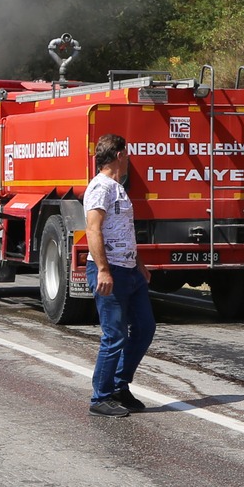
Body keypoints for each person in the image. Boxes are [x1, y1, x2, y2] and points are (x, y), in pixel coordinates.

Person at [84, 134, 155, 416]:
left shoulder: (117, 187)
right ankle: (99, 398)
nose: (129, 159)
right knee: (114, 336)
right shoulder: (101, 187)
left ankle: (119, 386)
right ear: (119, 155)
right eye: (127, 154)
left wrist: (139, 265)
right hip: (110, 271)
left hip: (130, 271)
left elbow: (124, 230)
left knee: (144, 328)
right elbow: (93, 229)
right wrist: (103, 269)